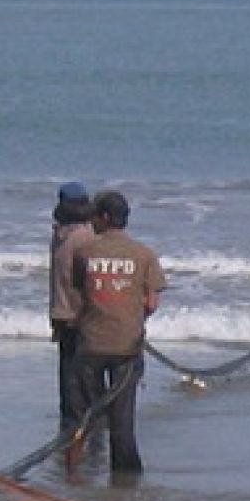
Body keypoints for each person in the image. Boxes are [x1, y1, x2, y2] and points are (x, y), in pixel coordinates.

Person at [67, 191, 166, 474]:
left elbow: (80, 294)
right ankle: (124, 478)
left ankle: (73, 477)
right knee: (122, 420)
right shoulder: (145, 254)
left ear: (105, 218)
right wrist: (132, 318)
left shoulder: (84, 252)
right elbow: (151, 303)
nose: (91, 221)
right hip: (128, 346)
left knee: (84, 415)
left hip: (90, 345)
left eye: (95, 216)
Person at [48, 181, 94, 428]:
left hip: (67, 313)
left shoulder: (64, 236)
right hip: (76, 314)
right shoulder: (81, 236)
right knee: (80, 378)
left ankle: (73, 426)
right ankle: (81, 427)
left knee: (71, 377)